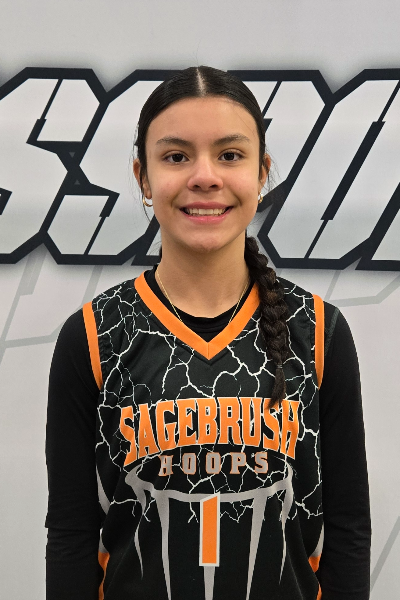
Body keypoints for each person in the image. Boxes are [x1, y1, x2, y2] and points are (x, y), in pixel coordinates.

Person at [45, 66, 371, 600]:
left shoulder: (318, 330)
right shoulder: (93, 334)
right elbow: (71, 534)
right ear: (143, 178)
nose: (204, 176)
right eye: (176, 157)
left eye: (230, 154)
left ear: (262, 173)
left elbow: (348, 528)